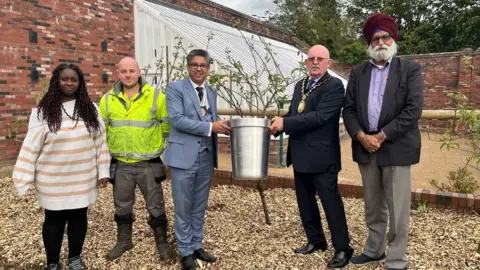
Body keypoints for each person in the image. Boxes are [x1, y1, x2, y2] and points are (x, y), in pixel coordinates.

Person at [342, 13, 424, 270]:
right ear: (369, 43)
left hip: (396, 146)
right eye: (375, 38)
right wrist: (361, 136)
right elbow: (349, 109)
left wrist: (381, 135)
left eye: (385, 37)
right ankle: (374, 250)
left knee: (398, 209)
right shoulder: (358, 73)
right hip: (366, 146)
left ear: (393, 39)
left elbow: (413, 109)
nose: (380, 42)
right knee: (373, 205)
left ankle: (397, 258)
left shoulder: (409, 69)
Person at [12, 63, 110, 270]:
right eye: (64, 79)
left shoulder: (91, 110)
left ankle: (75, 258)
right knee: (53, 221)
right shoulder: (43, 112)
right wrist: (23, 177)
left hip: (82, 177)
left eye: (74, 79)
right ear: (56, 81)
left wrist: (103, 171)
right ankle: (53, 262)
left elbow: (101, 143)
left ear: (80, 83)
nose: (69, 83)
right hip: (52, 179)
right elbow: (31, 146)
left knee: (78, 219)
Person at [269, 45, 354, 268]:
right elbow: (296, 113)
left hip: (323, 157)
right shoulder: (301, 84)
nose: (315, 62)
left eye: (320, 59)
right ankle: (316, 240)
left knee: (331, 204)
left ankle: (343, 249)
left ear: (329, 63)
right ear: (306, 62)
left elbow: (320, 117)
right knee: (305, 202)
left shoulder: (335, 86)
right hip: (300, 154)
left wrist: (286, 123)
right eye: (311, 59)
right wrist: (280, 124)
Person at [99, 57, 171, 261]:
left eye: (132, 71)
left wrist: (156, 146)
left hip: (148, 163)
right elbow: (102, 132)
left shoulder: (156, 96)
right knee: (122, 205)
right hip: (121, 164)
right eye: (124, 71)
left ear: (139, 72)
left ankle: (162, 243)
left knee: (155, 205)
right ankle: (124, 241)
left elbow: (166, 126)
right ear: (118, 73)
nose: (128, 75)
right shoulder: (107, 99)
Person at [164, 49, 230, 270]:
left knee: (199, 205)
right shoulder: (175, 89)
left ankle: (196, 244)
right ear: (188, 66)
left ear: (208, 68)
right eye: (194, 64)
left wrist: (224, 125)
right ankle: (185, 252)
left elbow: (211, 118)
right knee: (183, 205)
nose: (198, 68)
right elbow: (177, 120)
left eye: (203, 65)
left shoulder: (211, 91)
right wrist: (211, 127)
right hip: (184, 157)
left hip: (206, 156)